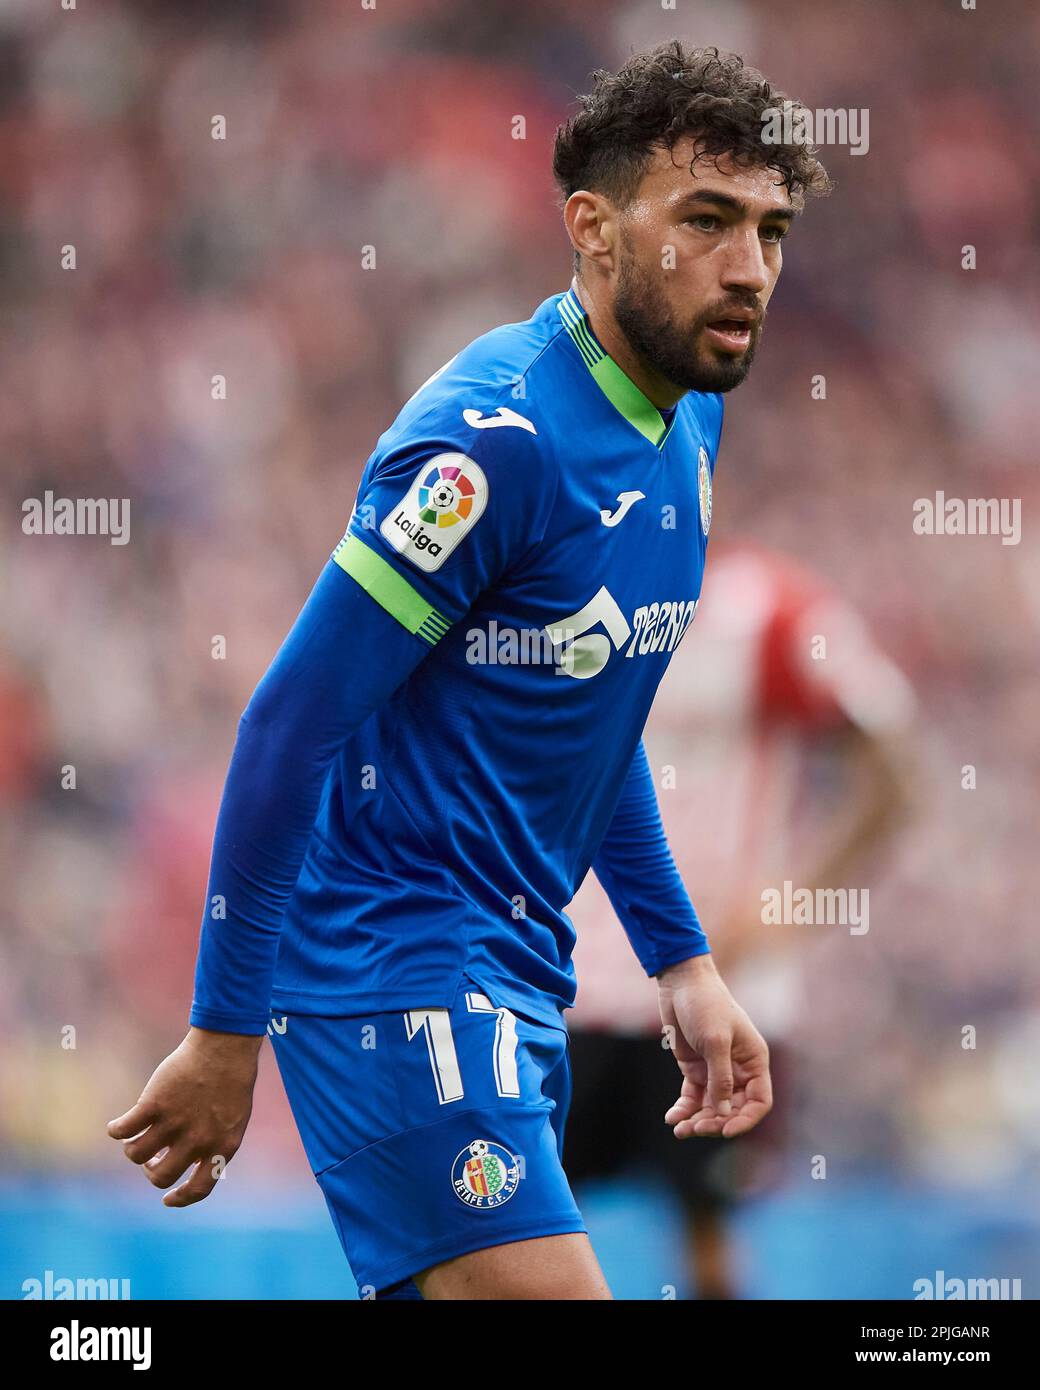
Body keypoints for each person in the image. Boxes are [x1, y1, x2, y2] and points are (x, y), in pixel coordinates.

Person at [107, 41, 831, 1300]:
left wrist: (683, 964)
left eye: (768, 229)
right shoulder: (490, 444)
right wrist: (226, 1025)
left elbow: (583, 728)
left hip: (514, 972)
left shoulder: (684, 416)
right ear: (591, 229)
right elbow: (288, 723)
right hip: (396, 973)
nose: (747, 267)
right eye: (705, 221)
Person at [565, 541, 916, 1298]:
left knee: (710, 1241)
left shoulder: (770, 614)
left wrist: (790, 905)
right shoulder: (558, 582)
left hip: (715, 989)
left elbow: (893, 769)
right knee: (513, 1228)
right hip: (566, 982)